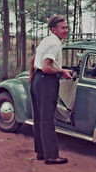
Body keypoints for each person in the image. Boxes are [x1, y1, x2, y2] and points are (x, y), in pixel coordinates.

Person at [29, 15, 73, 164]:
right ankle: (52, 156)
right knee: (47, 119)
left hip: (37, 79)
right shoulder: (55, 44)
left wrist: (32, 76)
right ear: (54, 29)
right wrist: (62, 71)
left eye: (67, 27)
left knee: (39, 118)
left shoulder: (47, 40)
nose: (66, 30)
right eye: (63, 28)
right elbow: (47, 68)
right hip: (46, 81)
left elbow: (33, 58)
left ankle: (41, 152)